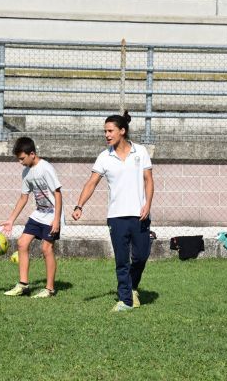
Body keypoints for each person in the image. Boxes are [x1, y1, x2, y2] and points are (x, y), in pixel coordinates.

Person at [72, 111, 154, 312]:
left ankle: (132, 287)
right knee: (121, 260)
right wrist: (79, 205)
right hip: (116, 217)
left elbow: (149, 180)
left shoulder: (140, 151)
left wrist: (148, 204)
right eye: (105, 131)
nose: (107, 135)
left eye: (110, 131)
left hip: (140, 214)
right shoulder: (104, 157)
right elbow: (91, 183)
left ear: (122, 131)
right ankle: (125, 300)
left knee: (141, 256)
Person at [1, 137, 63, 298]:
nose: (20, 162)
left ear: (32, 154)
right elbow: (23, 197)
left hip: (52, 215)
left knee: (46, 248)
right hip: (39, 214)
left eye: (22, 158)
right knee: (22, 243)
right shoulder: (26, 172)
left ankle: (49, 289)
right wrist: (11, 220)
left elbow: (58, 193)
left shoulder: (46, 168)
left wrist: (57, 219)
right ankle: (23, 285)